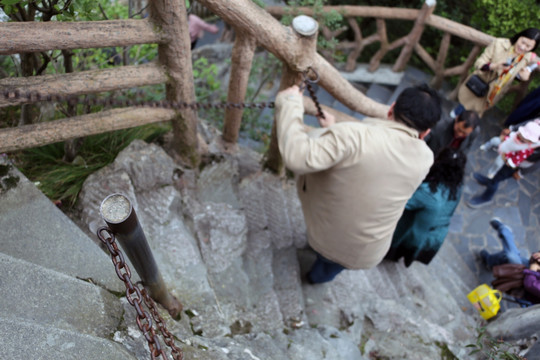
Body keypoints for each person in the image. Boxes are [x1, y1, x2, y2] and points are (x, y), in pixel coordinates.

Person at [275, 83, 442, 284]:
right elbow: (378, 159)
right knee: (327, 270)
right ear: (425, 133)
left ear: (391, 109)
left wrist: (291, 102)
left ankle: (316, 265)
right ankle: (314, 279)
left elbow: (297, 157)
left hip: (322, 232)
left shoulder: (352, 135)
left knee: (325, 249)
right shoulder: (426, 159)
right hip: (366, 253)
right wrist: (335, 130)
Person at [385, 148, 466, 267]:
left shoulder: (429, 192)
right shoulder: (457, 187)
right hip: (435, 235)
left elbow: (401, 203)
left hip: (414, 235)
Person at [451, 28, 540, 118]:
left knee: (476, 114)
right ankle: (454, 117)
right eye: (523, 42)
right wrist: (495, 66)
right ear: (519, 36)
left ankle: (466, 124)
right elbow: (479, 63)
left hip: (494, 93)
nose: (523, 47)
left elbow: (514, 74)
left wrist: (523, 77)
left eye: (528, 46)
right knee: (464, 106)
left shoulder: (527, 57)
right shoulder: (499, 44)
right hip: (480, 83)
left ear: (533, 48)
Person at [468, 119, 540, 207]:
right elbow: (530, 123)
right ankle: (488, 181)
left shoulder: (528, 147)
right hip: (509, 152)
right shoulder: (523, 134)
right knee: (496, 171)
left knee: (497, 179)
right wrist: (513, 129)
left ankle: (487, 197)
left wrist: (521, 173)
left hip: (517, 164)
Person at [480, 218, 540, 304]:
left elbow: (530, 284)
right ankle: (489, 261)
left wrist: (533, 269)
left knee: (511, 255)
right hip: (532, 270)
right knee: (508, 256)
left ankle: (504, 231)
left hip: (524, 285)